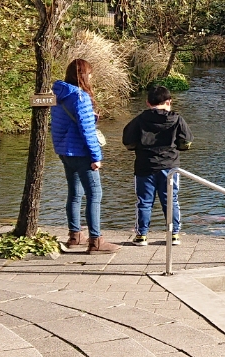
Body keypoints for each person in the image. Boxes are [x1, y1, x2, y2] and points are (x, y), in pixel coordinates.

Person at [50, 58, 117, 254]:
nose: (91, 77)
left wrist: (90, 116)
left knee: (74, 193)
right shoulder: (81, 97)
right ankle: (96, 241)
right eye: (89, 74)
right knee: (95, 194)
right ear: (83, 75)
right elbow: (87, 131)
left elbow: (66, 122)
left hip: (64, 151)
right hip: (81, 153)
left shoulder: (60, 94)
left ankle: (75, 235)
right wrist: (96, 156)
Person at [123, 84, 192, 246]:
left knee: (144, 202)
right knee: (171, 201)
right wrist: (178, 147)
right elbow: (187, 142)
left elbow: (128, 142)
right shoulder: (177, 119)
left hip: (144, 167)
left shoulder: (139, 120)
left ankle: (141, 236)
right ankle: (174, 234)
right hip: (170, 167)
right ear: (169, 101)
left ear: (147, 102)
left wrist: (138, 148)